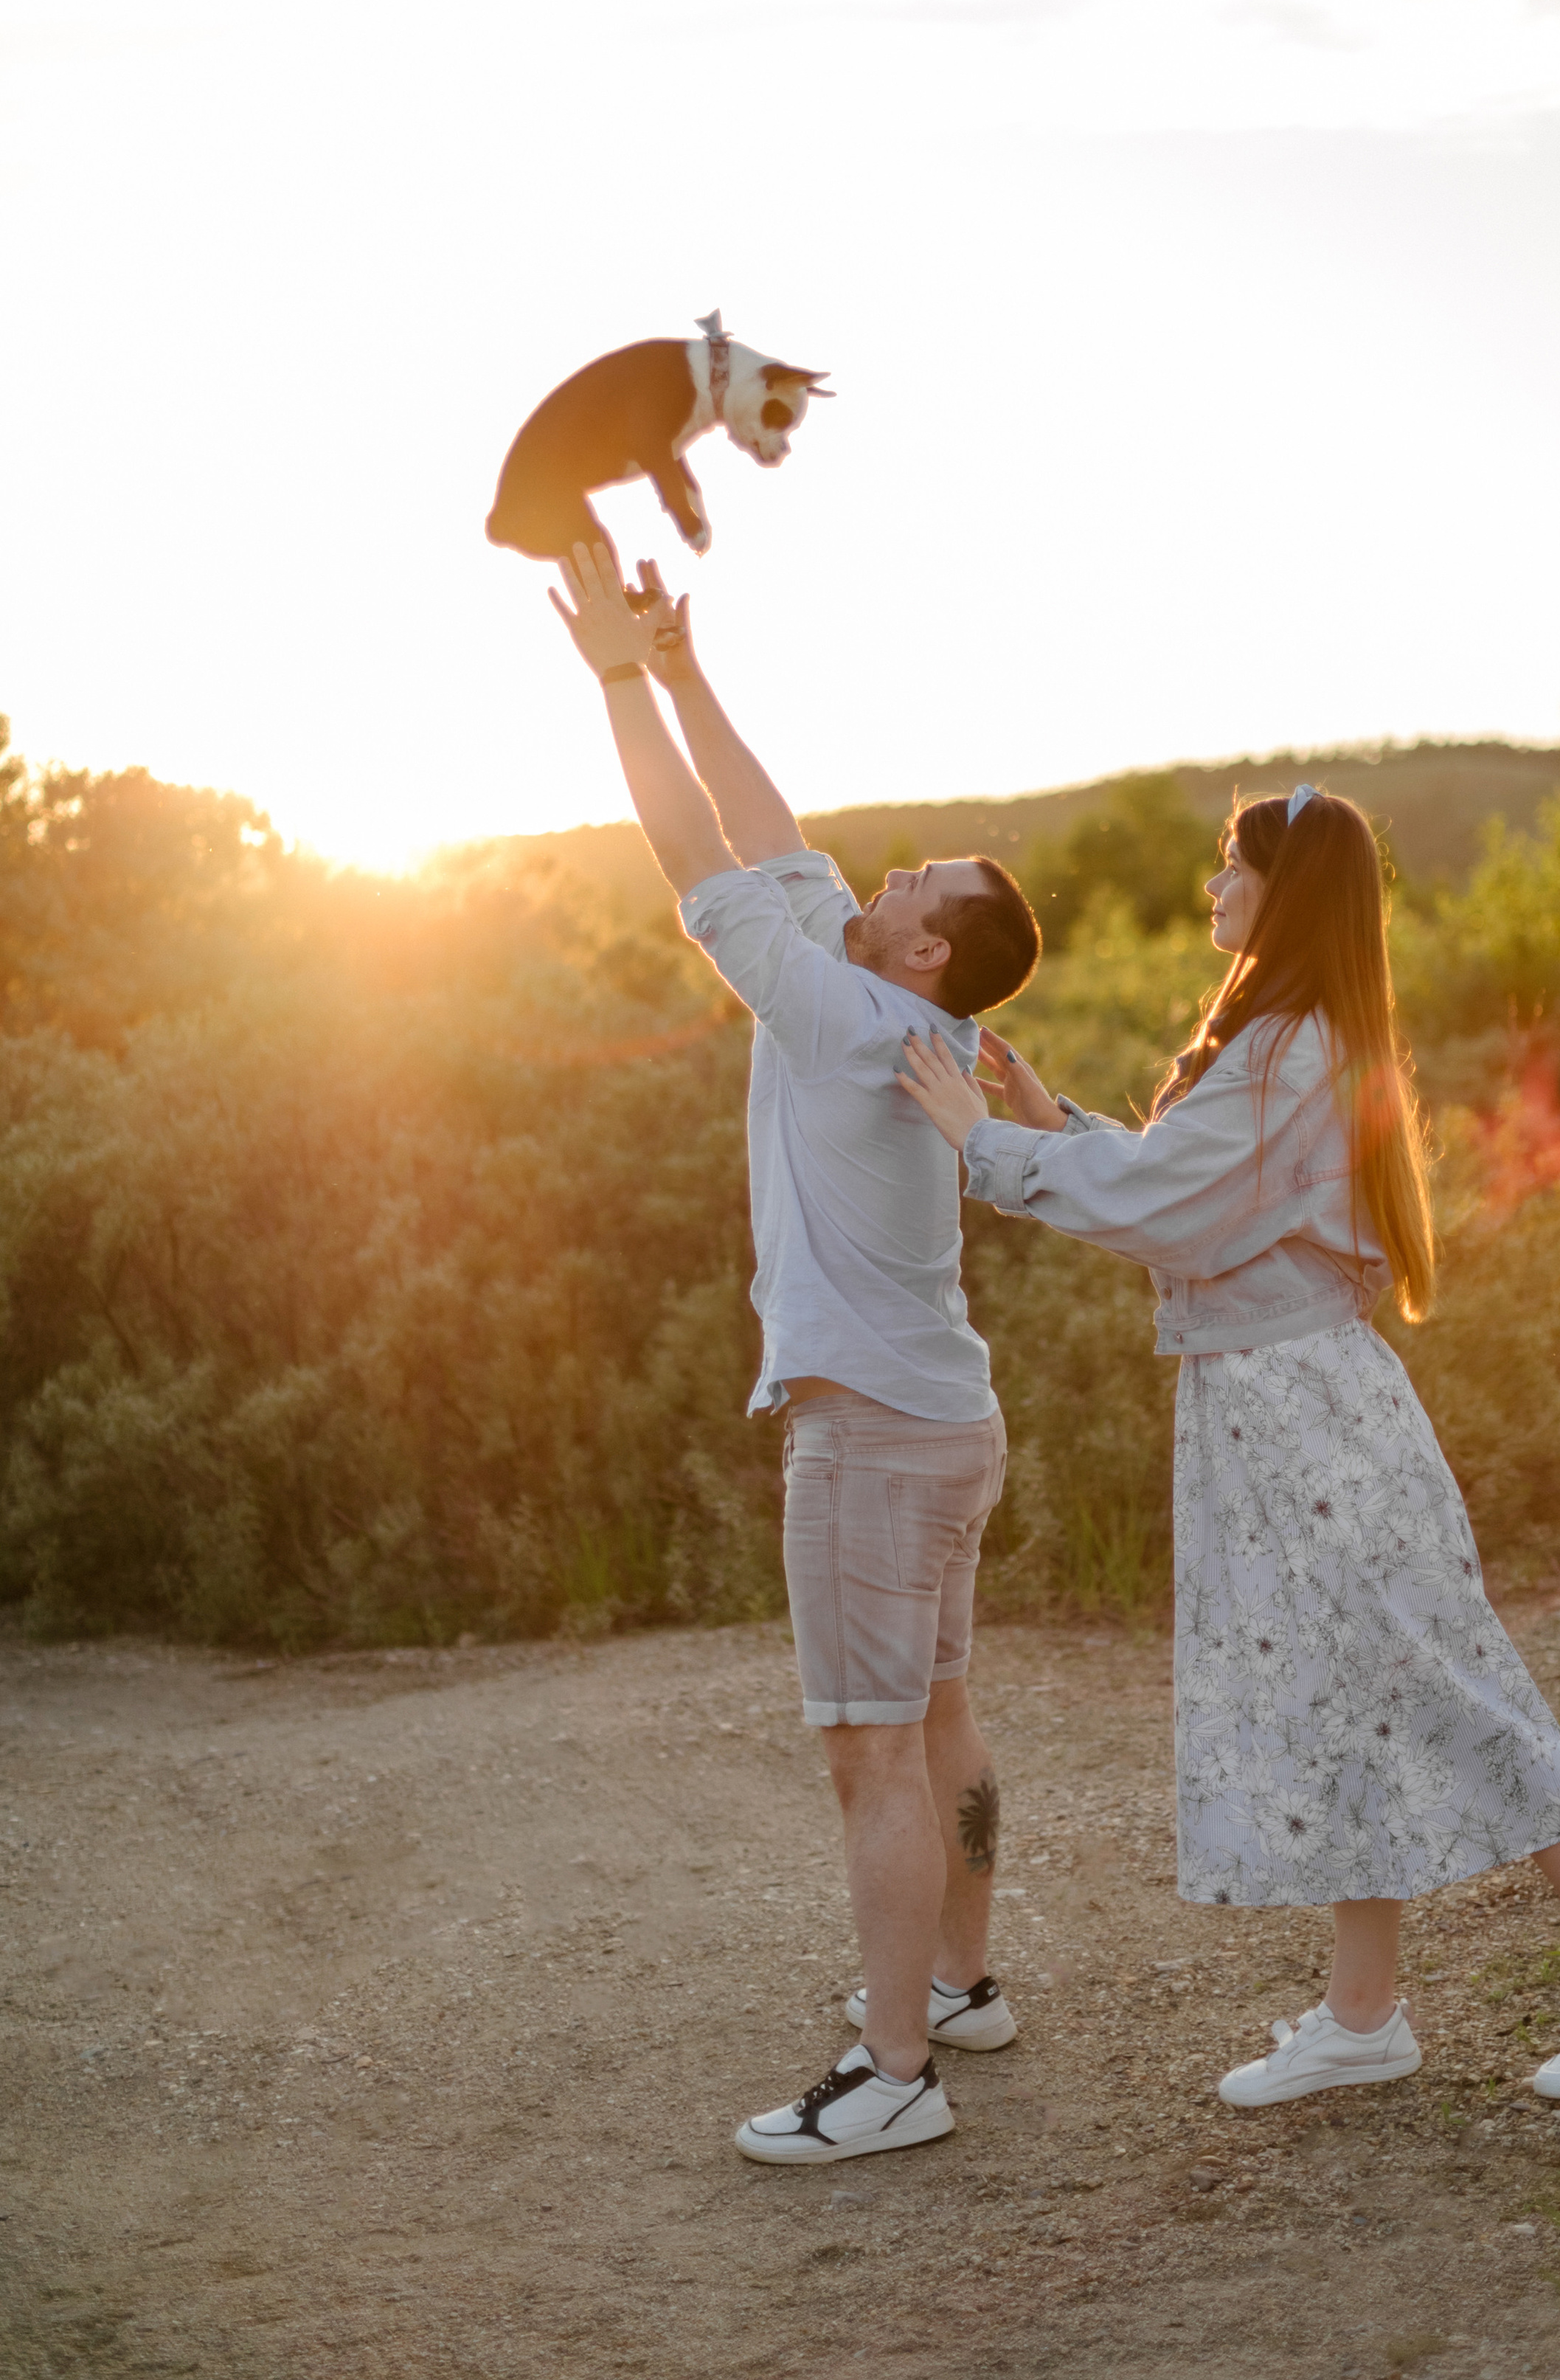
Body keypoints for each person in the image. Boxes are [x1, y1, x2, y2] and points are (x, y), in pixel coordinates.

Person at [896, 781, 1560, 2109]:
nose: (1214, 886)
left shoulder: (1292, 1046)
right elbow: (1197, 1187)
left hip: (1308, 1407)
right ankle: (1364, 2014)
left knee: (1437, 1674)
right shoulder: (1296, 1037)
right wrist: (1058, 1130)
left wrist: (987, 1147)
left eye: (1234, 866)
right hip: (1269, 1402)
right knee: (1342, 1695)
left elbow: (1172, 1206)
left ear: (1292, 893)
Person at [548, 543, 1042, 2162]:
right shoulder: (903, 1000)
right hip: (947, 1422)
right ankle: (959, 1988)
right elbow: (775, 834)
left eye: (916, 886)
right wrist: (682, 664)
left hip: (872, 1438)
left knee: (865, 1749)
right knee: (940, 1712)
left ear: (918, 951)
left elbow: (695, 851)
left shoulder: (842, 1015)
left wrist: (615, 679)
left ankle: (892, 2072)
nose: (882, 877)